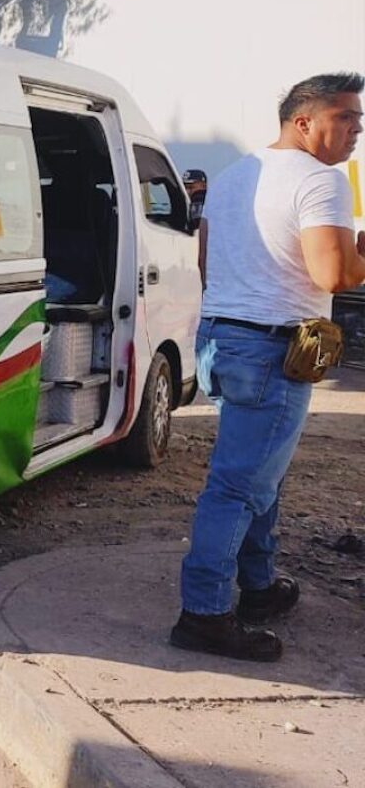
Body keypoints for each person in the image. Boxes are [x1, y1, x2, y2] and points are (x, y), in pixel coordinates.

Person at [172, 72, 365, 662]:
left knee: (261, 475)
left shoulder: (235, 176)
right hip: (271, 351)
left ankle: (257, 587)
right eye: (347, 119)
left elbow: (207, 259)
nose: (357, 131)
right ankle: (203, 615)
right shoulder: (321, 180)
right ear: (304, 122)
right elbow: (335, 276)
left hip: (221, 340)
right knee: (236, 486)